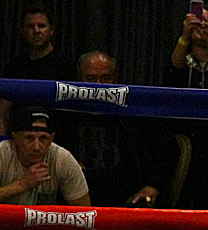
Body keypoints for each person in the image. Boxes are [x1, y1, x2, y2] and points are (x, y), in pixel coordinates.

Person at [56, 51, 176, 207]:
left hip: (127, 199)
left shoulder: (133, 113)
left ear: (115, 79)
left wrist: (153, 185)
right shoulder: (65, 115)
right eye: (91, 79)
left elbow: (168, 149)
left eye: (105, 78)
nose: (98, 86)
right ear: (79, 80)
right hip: (76, 200)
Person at [0, 106, 90, 230]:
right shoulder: (3, 154)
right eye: (29, 138)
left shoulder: (62, 159)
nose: (36, 146)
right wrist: (22, 184)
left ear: (52, 138)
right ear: (15, 137)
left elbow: (85, 216)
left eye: (43, 139)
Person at [0, 5, 72, 135]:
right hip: (20, 139)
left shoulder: (66, 66)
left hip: (57, 138)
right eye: (30, 26)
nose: (36, 31)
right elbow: (3, 112)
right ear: (22, 31)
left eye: (41, 26)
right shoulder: (14, 67)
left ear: (51, 30)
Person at [169, 3, 208, 89]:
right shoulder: (181, 53)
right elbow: (175, 68)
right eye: (197, 20)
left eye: (206, 20)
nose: (201, 25)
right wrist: (185, 35)